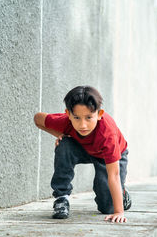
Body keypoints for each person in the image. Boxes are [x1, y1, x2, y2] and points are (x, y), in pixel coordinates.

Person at [34, 86, 131, 223]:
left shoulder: (107, 134)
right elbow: (38, 119)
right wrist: (60, 135)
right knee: (64, 145)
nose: (83, 125)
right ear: (68, 114)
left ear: (99, 114)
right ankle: (62, 198)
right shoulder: (65, 121)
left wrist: (119, 212)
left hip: (109, 155)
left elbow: (113, 175)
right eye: (77, 118)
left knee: (107, 207)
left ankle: (123, 193)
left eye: (88, 117)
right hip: (84, 148)